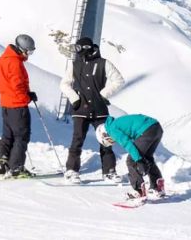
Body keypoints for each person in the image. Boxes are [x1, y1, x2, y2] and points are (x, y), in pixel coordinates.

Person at [60, 36, 125, 183]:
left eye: (79, 48)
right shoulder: (74, 64)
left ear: (87, 48)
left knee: (106, 140)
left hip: (99, 109)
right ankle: (72, 170)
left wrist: (103, 94)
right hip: (80, 109)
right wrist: (74, 98)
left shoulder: (103, 63)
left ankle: (109, 171)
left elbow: (119, 80)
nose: (76, 51)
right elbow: (64, 84)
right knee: (77, 140)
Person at [0, 34, 38, 178]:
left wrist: (2, 89)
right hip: (18, 105)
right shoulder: (15, 62)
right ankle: (16, 167)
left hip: (6, 104)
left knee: (7, 135)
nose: (29, 54)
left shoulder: (4, 58)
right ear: (21, 48)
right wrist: (27, 97)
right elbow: (17, 86)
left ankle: (2, 163)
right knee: (21, 136)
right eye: (29, 51)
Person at [96, 113, 164, 198]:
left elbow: (127, 143)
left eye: (110, 140)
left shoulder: (111, 129)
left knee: (131, 160)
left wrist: (138, 160)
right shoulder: (115, 124)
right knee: (147, 157)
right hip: (156, 127)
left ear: (104, 134)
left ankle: (138, 191)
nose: (113, 141)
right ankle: (158, 187)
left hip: (146, 130)